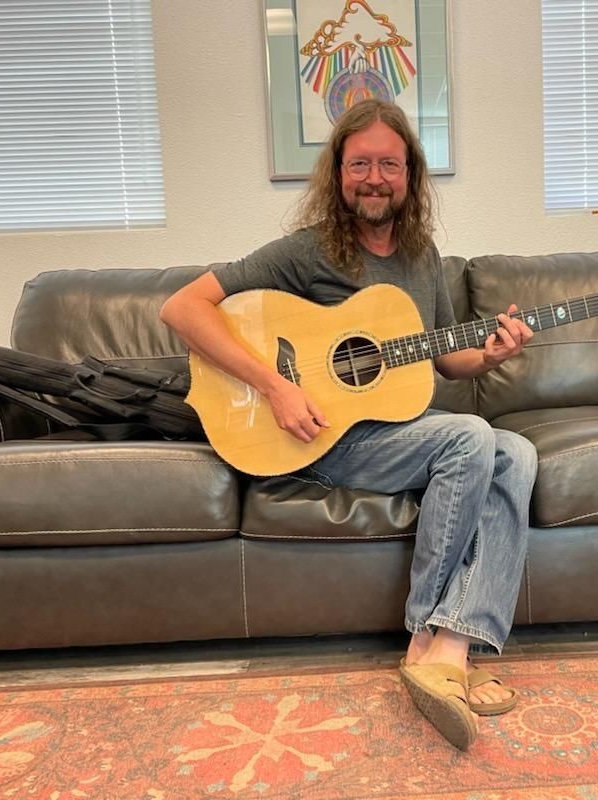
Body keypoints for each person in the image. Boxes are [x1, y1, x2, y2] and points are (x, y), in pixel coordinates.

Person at [160, 99, 538, 750]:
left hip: (397, 432)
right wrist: (276, 386)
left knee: (519, 453)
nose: (374, 178)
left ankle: (454, 645)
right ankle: (422, 640)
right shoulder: (307, 252)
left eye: (389, 164)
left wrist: (490, 355)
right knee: (471, 436)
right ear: (338, 173)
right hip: (320, 438)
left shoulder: (422, 256)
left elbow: (445, 355)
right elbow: (183, 307)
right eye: (360, 164)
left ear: (410, 174)